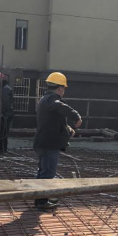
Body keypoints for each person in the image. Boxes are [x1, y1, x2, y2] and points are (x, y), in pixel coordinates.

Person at [33, 72, 82, 209]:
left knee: (43, 172)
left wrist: (68, 129)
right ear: (60, 88)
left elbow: (53, 121)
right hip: (49, 144)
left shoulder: (45, 99)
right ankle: (42, 202)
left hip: (44, 142)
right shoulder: (52, 100)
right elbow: (60, 106)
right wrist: (76, 116)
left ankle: (40, 199)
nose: (63, 91)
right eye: (64, 88)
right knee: (47, 173)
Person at [0, 72, 14, 154]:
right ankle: (2, 149)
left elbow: (5, 103)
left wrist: (0, 112)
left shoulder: (5, 89)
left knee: (2, 133)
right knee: (1, 132)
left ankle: (2, 150)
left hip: (4, 115)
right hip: (3, 114)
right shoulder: (2, 88)